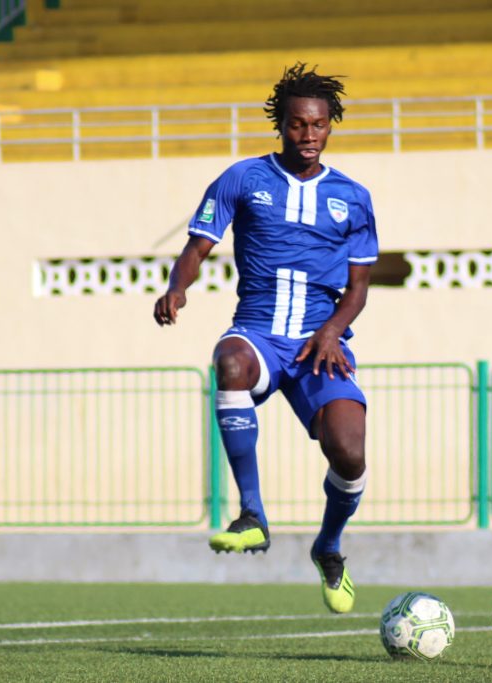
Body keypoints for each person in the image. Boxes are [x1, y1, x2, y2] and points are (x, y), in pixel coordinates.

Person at [153, 63, 378, 615]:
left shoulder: (353, 196)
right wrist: (177, 288)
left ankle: (328, 546)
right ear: (281, 125)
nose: (308, 136)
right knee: (229, 362)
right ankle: (251, 514)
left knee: (349, 453)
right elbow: (196, 248)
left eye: (319, 125)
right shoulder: (242, 179)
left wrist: (330, 332)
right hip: (256, 332)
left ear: (331, 126)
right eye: (298, 125)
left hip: (319, 343)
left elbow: (359, 287)